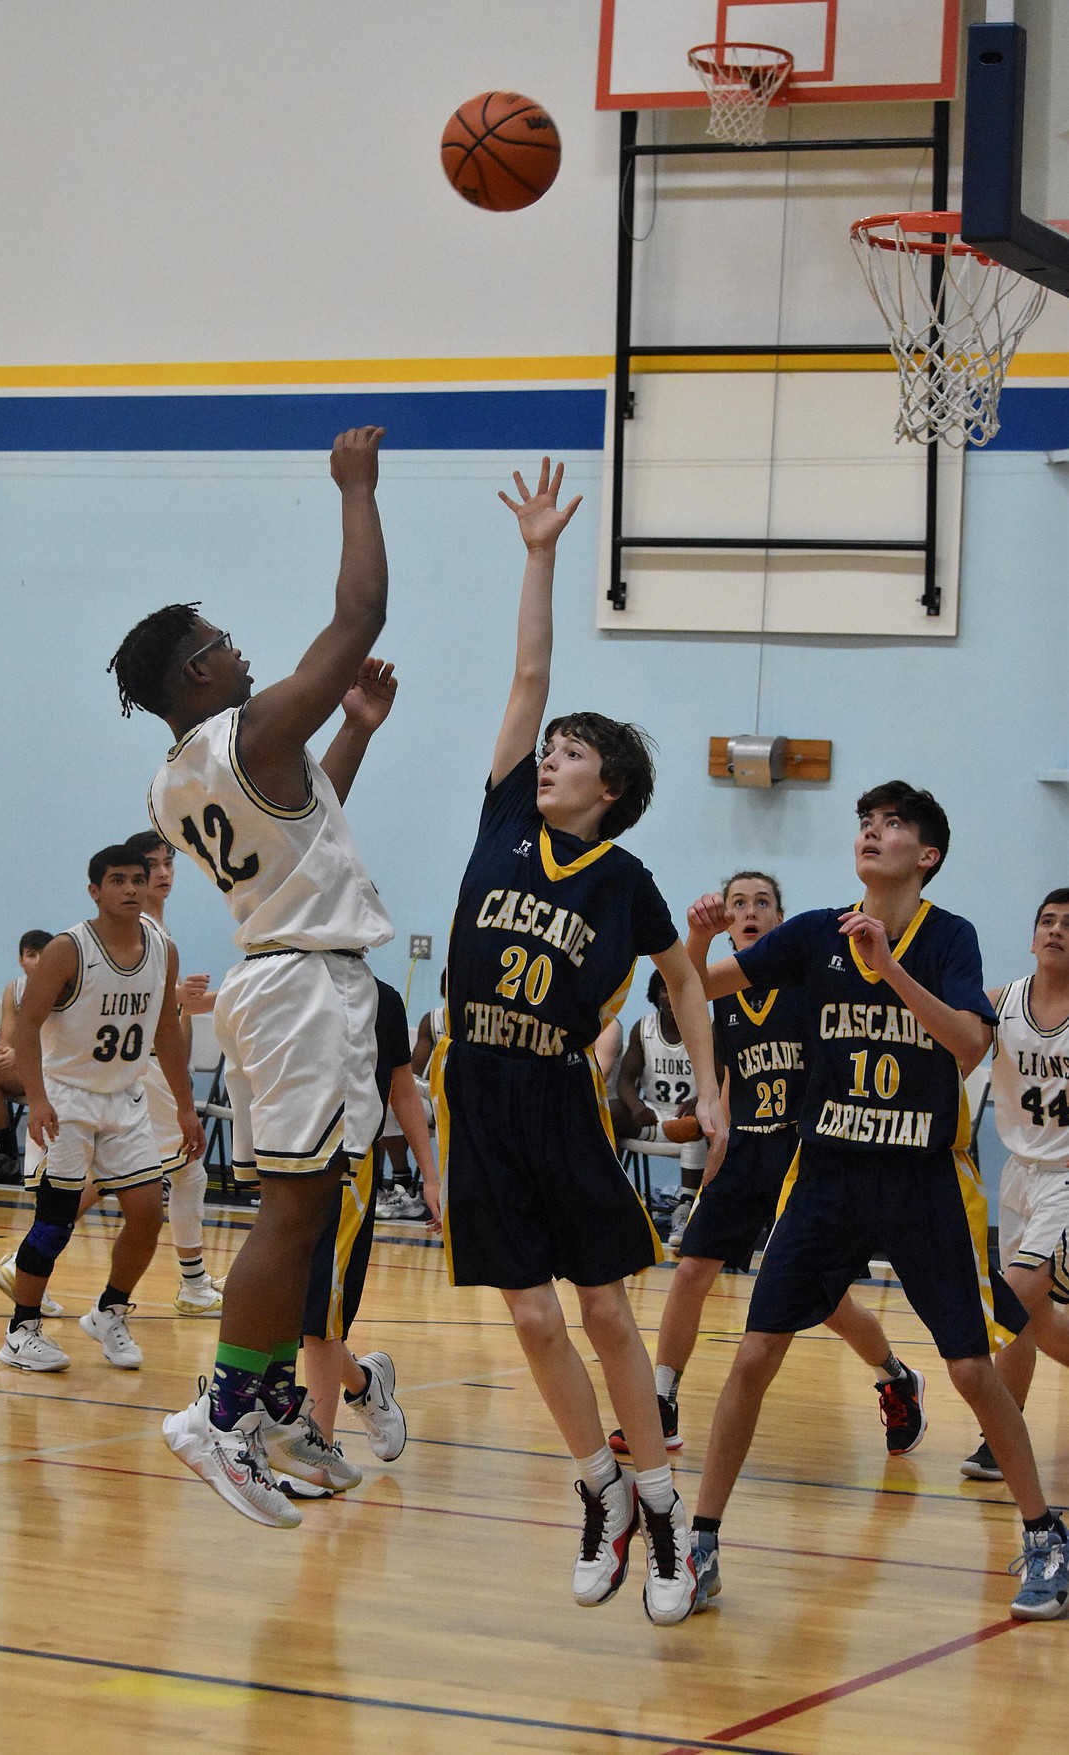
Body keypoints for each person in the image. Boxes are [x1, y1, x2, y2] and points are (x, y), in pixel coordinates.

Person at [432, 457, 728, 1626]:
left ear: (608, 787)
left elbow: (686, 986)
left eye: (568, 754)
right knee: (531, 1315)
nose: (546, 756)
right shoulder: (504, 815)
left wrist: (709, 1081)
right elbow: (528, 671)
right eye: (545, 748)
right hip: (475, 1083)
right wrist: (541, 553)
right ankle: (599, 1488)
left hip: (558, 1094)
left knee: (606, 1312)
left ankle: (662, 1511)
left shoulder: (628, 881)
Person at [684, 784, 1068, 1623]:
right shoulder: (815, 931)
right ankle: (702, 1538)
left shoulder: (949, 938)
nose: (872, 832)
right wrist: (693, 940)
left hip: (920, 1180)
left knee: (971, 1366)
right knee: (754, 1354)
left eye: (892, 825)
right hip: (824, 1175)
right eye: (866, 822)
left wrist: (887, 965)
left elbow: (970, 1044)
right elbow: (697, 993)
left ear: (925, 855)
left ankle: (1045, 1532)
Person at [109, 423, 395, 1530]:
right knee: (291, 1213)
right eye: (224, 642)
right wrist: (357, 488)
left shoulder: (174, 780)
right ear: (197, 671)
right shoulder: (251, 728)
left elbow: (300, 824)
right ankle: (222, 1412)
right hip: (304, 988)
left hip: (284, 976)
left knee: (309, 1205)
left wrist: (356, 734)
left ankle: (271, 1395)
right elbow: (359, 616)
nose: (240, 651)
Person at [609, 870, 922, 1462]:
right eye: (738, 903)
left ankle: (896, 1375)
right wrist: (713, 1164)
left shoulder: (806, 983)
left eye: (763, 902)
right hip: (746, 1148)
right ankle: (662, 1399)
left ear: (781, 920)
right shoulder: (720, 998)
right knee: (691, 1269)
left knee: (821, 1298)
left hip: (805, 1150)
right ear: (726, 920)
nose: (750, 911)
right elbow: (716, 1059)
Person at [0, 846, 204, 1373]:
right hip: (67, 1098)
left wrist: (185, 1107)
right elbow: (26, 1026)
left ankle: (109, 1311)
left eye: (138, 878)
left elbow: (164, 1032)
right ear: (95, 890)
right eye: (118, 880)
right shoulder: (69, 949)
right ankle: (21, 1330)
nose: (131, 888)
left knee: (146, 1215)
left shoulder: (163, 949)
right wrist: (37, 1098)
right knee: (56, 1220)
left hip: (125, 1098)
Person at [68, 829, 225, 1312]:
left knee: (175, 1173)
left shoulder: (156, 928)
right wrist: (182, 998)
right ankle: (193, 1286)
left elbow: (168, 1011)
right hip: (147, 1069)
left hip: (154, 1067)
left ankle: (194, 1282)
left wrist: (223, 1000)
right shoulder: (135, 931)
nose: (163, 873)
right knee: (168, 1171)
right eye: (152, 866)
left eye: (168, 864)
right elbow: (135, 1007)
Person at [297, 976, 441, 1478]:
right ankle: (362, 1384)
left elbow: (403, 1088)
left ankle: (318, 1453)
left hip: (349, 1165)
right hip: (290, 1164)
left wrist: (430, 1176)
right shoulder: (284, 980)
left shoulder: (383, 999)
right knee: (300, 1309)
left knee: (321, 1314)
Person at [960, 887, 1069, 1483]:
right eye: (1046, 921)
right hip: (1017, 1172)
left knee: (1009, 1299)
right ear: (1032, 939)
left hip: (1068, 1180)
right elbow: (951, 1049)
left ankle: (1000, 1430)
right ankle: (1004, 1430)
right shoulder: (1000, 1003)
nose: (1055, 930)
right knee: (1037, 1321)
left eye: (1068, 925)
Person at [609, 968, 708, 1247]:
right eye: (665, 988)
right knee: (610, 1111)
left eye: (678, 987)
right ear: (655, 995)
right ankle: (612, 1197)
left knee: (702, 1121)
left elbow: (721, 1078)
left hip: (691, 1119)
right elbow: (626, 1080)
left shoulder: (706, 1028)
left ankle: (685, 1208)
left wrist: (700, 1101)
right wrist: (636, 1105)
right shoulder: (644, 1028)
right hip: (652, 1116)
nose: (672, 995)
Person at [0, 929, 53, 1186]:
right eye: (31, 955)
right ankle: (5, 1156)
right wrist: (4, 1053)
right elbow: (6, 1039)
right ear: (20, 960)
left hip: (59, 1069)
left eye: (44, 955)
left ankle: (56, 1162)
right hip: (31, 1068)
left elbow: (62, 1045)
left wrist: (21, 1055)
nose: (38, 960)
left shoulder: (66, 988)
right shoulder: (14, 990)